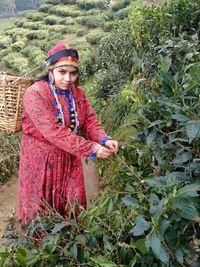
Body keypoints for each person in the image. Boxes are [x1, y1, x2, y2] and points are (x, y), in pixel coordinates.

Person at [18, 43, 118, 224]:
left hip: (70, 157)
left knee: (74, 203)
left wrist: (104, 139)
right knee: (42, 206)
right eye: (62, 72)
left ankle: (72, 244)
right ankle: (42, 248)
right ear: (51, 70)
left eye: (73, 73)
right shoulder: (35, 93)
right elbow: (53, 131)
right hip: (41, 161)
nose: (68, 78)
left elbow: (89, 120)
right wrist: (91, 148)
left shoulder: (77, 94)